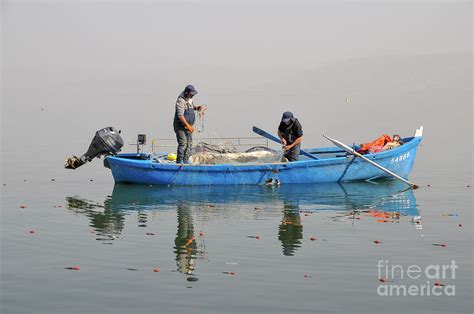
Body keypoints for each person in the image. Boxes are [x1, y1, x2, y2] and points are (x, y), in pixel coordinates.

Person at [173, 85, 207, 164]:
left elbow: (191, 107)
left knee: (189, 144)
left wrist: (197, 108)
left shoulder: (190, 99)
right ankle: (179, 162)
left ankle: (185, 161)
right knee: (183, 143)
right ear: (187, 93)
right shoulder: (180, 101)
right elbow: (180, 116)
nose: (193, 95)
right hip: (180, 126)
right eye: (191, 94)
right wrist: (188, 126)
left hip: (188, 126)